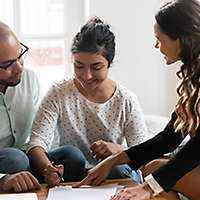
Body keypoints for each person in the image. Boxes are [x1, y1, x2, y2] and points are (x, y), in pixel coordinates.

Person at [74, 0, 200, 199]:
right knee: (152, 169)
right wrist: (113, 160)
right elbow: (168, 138)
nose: (156, 45)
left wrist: (147, 188)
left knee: (154, 175)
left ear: (180, 38)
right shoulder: (193, 80)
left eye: (160, 38)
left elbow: (196, 148)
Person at [27, 17, 148, 186]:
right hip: (71, 172)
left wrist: (118, 150)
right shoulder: (59, 92)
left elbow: (145, 153)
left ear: (109, 62)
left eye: (96, 67)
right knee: (72, 155)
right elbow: (37, 142)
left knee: (117, 168)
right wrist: (48, 169)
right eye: (79, 66)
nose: (87, 75)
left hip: (111, 175)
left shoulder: (126, 101)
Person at [0, 21, 41, 192]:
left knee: (71, 155)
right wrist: (2, 179)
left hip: (26, 154)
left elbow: (39, 132)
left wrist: (46, 163)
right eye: (8, 64)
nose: (19, 67)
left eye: (20, 55)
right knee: (16, 159)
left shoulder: (29, 79)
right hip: (9, 162)